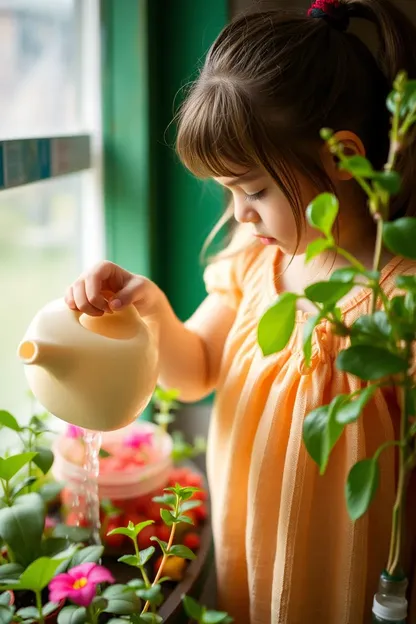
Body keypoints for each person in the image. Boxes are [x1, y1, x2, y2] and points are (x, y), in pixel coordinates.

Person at [65, 0, 416, 621]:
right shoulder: (256, 263)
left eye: (252, 189)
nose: (239, 212)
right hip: (249, 560)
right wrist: (151, 310)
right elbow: (196, 368)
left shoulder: (399, 303)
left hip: (351, 587)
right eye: (228, 191)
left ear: (341, 157)